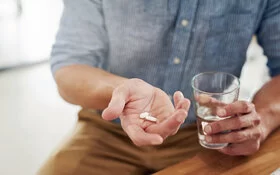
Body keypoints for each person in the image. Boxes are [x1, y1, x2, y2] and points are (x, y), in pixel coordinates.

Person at [38, 1, 280, 174]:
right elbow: (70, 69)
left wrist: (263, 118)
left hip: (209, 135)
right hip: (107, 131)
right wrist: (122, 90)